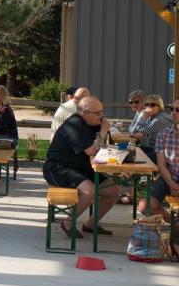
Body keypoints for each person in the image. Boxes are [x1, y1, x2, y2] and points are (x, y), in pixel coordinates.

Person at [43, 96, 120, 239]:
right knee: (89, 191)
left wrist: (106, 132)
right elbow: (92, 150)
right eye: (98, 113)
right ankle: (67, 223)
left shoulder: (95, 123)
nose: (101, 116)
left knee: (114, 190)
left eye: (102, 111)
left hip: (80, 168)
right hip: (58, 168)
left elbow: (106, 147)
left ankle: (90, 224)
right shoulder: (74, 124)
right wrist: (103, 131)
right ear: (84, 113)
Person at [139, 98, 179, 218]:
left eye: (178, 110)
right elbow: (161, 165)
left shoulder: (159, 120)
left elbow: (139, 131)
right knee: (144, 206)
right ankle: (175, 224)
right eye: (172, 109)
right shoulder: (164, 133)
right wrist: (171, 184)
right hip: (169, 177)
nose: (173, 112)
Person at [131, 94, 173, 162]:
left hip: (163, 153)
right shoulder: (152, 117)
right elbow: (135, 131)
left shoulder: (160, 120)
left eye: (152, 105)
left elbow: (135, 131)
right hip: (154, 149)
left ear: (160, 106)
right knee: (133, 151)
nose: (149, 107)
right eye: (147, 104)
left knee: (136, 157)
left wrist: (142, 117)